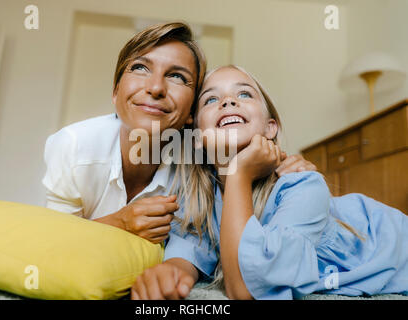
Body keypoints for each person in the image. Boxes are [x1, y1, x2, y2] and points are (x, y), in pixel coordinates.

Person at [130, 65, 408, 300]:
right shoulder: (201, 199)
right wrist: (174, 271)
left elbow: (246, 290)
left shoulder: (302, 185)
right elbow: (191, 248)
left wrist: (238, 173)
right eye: (211, 100)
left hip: (394, 241)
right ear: (197, 135)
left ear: (270, 128)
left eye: (243, 93)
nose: (228, 101)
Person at [42, 23, 314, 244]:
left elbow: (247, 160)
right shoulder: (74, 146)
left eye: (177, 77)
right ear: (115, 92)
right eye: (140, 68)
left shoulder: (201, 160)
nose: (156, 87)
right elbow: (49, 243)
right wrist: (119, 222)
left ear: (192, 115)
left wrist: (288, 166)